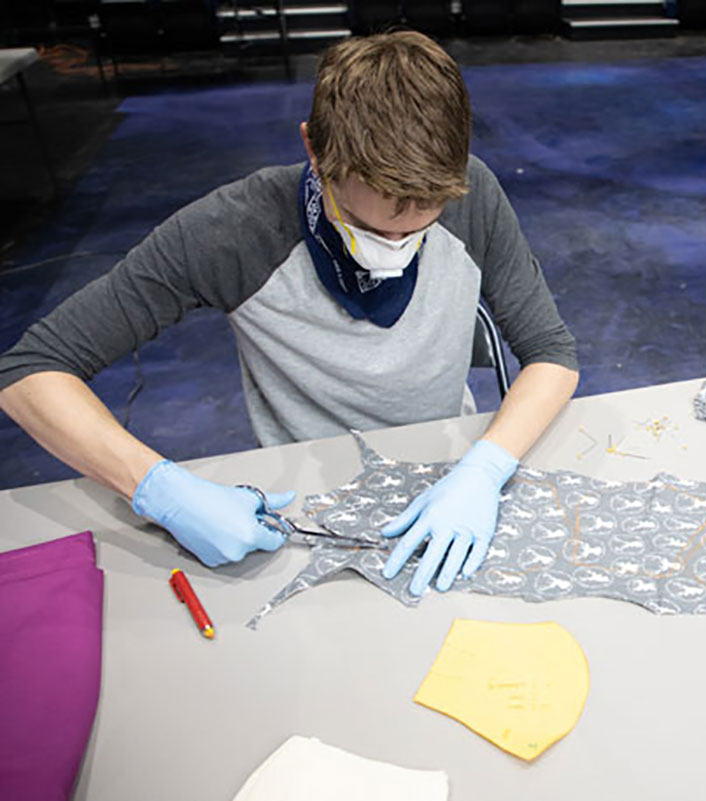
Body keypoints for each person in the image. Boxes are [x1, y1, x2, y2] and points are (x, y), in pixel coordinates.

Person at [0, 32, 579, 597]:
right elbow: (29, 372)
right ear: (313, 148)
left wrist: (485, 469)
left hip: (449, 470)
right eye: (372, 225)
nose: (398, 244)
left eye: (421, 225)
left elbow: (552, 353)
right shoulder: (234, 231)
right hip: (305, 500)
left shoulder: (471, 192)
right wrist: (155, 486)